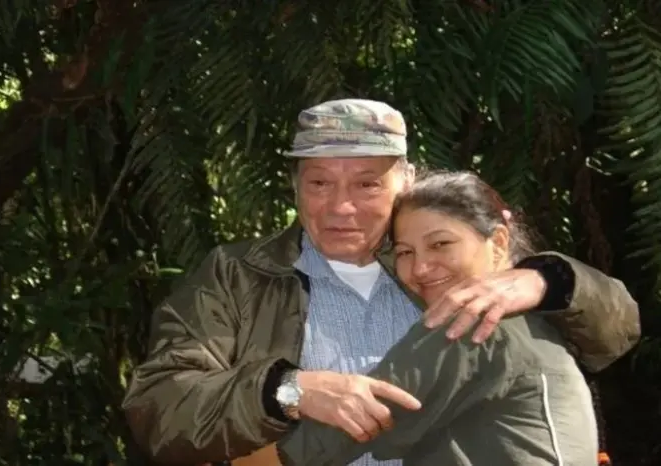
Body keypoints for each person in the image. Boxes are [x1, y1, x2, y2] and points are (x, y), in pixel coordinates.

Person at [121, 99, 640, 465]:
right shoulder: (236, 277)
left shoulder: (441, 265)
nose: (341, 207)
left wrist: (548, 280)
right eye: (320, 183)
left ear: (406, 181)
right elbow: (157, 410)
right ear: (295, 186)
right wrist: (287, 389)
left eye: (367, 183)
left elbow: (617, 331)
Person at [275, 170, 600, 465]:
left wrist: (287, 392)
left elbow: (315, 446)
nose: (420, 268)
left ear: (499, 243)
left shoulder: (470, 326)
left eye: (441, 244)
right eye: (405, 252)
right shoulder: (536, 316)